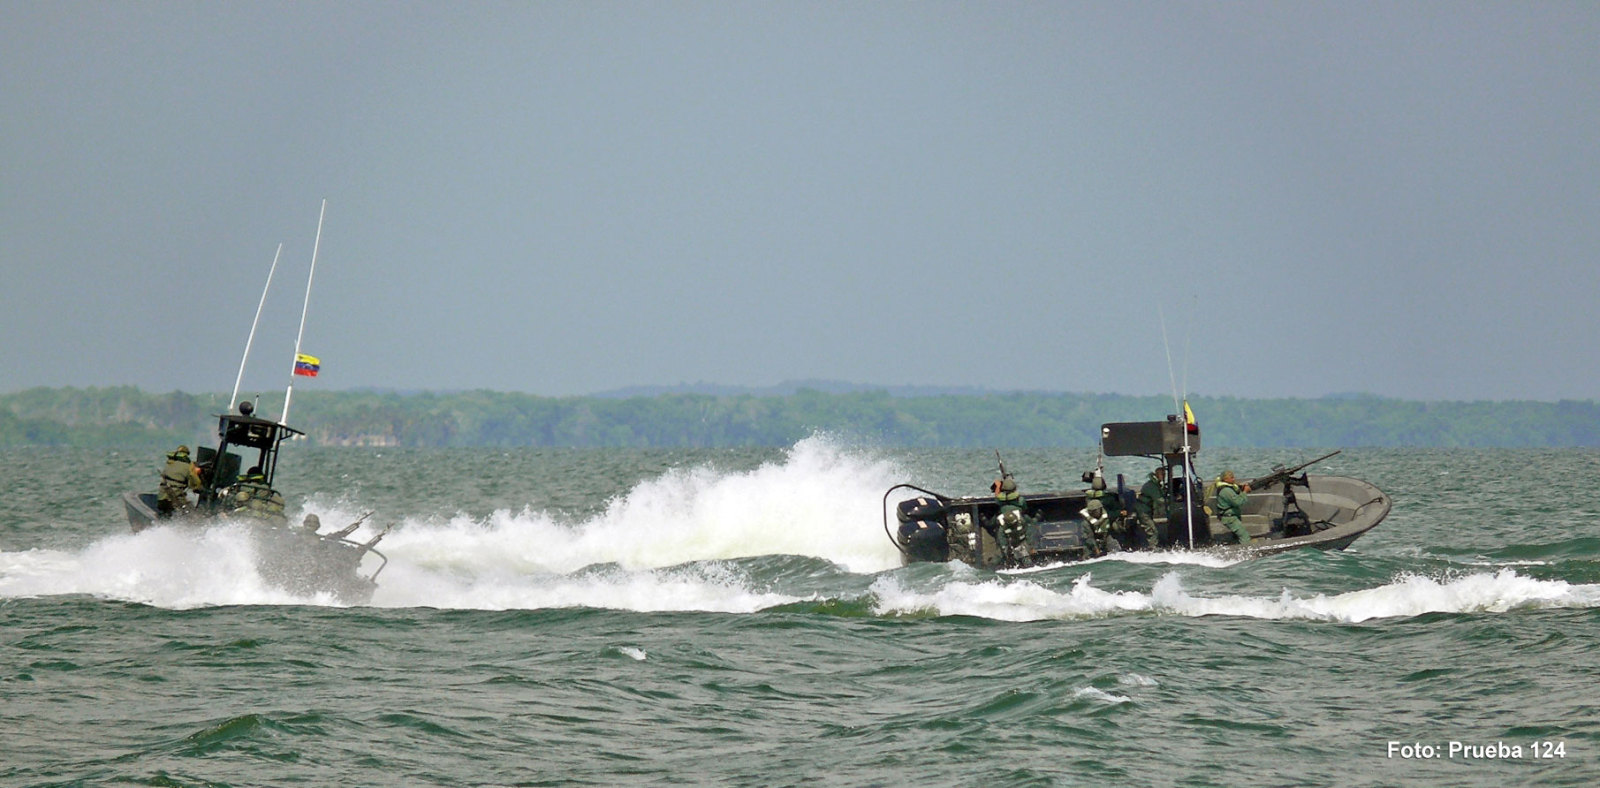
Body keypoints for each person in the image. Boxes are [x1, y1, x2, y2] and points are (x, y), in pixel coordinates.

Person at [990, 475, 1032, 566]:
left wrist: (998, 486)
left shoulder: (999, 500)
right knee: (1030, 521)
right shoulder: (1020, 500)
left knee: (992, 524)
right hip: (1018, 523)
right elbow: (1025, 509)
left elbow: (997, 496)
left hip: (1004, 524)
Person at [1082, 472, 1124, 554]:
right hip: (1106, 524)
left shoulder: (1088, 498)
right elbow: (1110, 514)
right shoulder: (1109, 498)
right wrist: (1120, 512)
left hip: (1094, 525)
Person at [156, 445, 202, 516]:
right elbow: (195, 484)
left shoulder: (169, 463)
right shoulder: (189, 467)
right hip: (175, 500)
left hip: (161, 499)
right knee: (190, 510)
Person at [1132, 466, 1169, 549]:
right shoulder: (1151, 486)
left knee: (1152, 529)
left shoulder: (1156, 484)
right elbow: (1160, 500)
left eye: (1164, 474)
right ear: (1157, 474)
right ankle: (1153, 549)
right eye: (1162, 474)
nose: (1164, 476)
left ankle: (1153, 546)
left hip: (1147, 510)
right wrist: (1171, 500)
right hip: (1143, 511)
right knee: (1153, 531)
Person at [1212, 470, 1253, 545]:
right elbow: (1238, 502)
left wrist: (1242, 489)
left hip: (1232, 516)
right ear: (1225, 479)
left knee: (1238, 535)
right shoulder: (1226, 490)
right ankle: (1246, 552)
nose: (1233, 479)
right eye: (1231, 478)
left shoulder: (1229, 487)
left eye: (1233, 477)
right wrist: (1245, 492)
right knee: (1244, 536)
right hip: (1230, 518)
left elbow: (1236, 494)